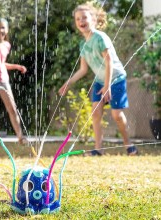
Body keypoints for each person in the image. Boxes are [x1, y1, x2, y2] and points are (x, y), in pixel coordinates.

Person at [58, 2, 138, 156]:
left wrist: (107, 86)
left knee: (116, 115)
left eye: (84, 17)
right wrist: (69, 82)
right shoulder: (83, 44)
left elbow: (108, 62)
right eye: (78, 19)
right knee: (95, 113)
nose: (81, 21)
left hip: (116, 78)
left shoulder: (100, 38)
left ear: (93, 19)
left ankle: (129, 144)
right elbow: (83, 69)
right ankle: (98, 148)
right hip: (101, 81)